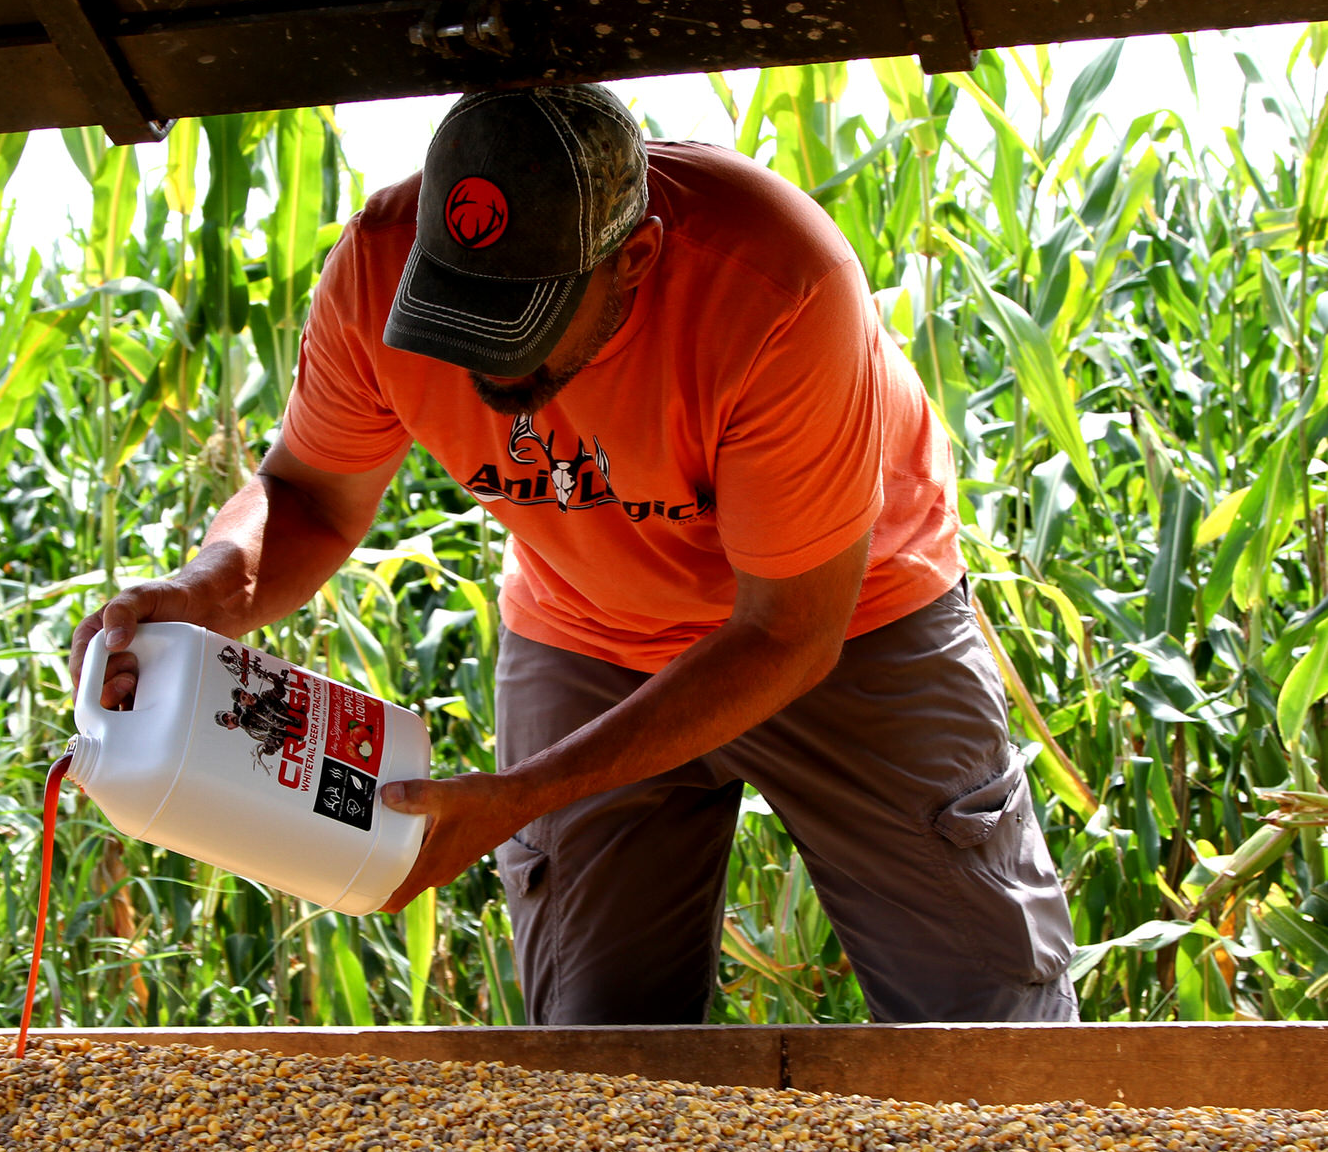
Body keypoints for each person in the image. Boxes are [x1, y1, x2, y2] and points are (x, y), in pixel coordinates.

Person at [70, 83, 1077, 1025]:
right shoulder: (370, 275)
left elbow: (784, 636)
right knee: (595, 1055)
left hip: (848, 617)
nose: (477, 357)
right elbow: (307, 498)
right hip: (588, 629)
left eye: (522, 323)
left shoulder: (775, 285)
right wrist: (206, 590)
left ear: (632, 259)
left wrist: (525, 793)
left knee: (989, 1025)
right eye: (454, 311)